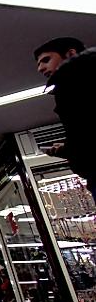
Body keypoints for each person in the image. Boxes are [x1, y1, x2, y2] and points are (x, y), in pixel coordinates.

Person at [33, 37, 96, 200]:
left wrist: (74, 150)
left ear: (70, 53)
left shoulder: (76, 86)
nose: (40, 68)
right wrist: (72, 147)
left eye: (46, 60)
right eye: (38, 64)